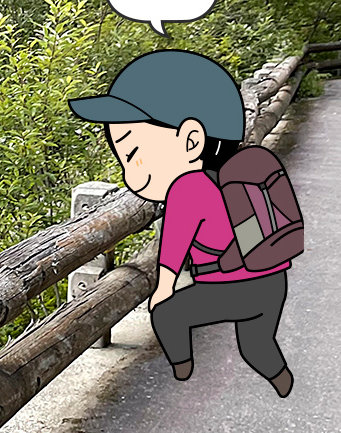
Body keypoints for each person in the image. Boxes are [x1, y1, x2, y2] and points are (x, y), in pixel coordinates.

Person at [69, 49, 294, 398]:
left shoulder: (187, 188)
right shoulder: (232, 175)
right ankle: (282, 380)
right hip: (271, 277)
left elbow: (173, 249)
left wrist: (162, 290)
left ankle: (183, 372)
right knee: (256, 346)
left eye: (131, 154)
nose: (130, 172)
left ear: (191, 140)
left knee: (167, 316)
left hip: (235, 288)